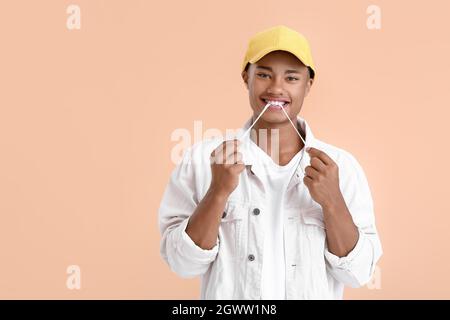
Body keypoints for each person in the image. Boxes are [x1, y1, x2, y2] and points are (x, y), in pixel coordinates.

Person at [158, 25, 382, 299]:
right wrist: (218, 192)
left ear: (308, 85)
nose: (276, 88)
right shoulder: (202, 160)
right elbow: (182, 265)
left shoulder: (341, 167)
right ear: (246, 78)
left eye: (291, 78)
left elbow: (358, 273)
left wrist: (332, 201)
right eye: (264, 74)